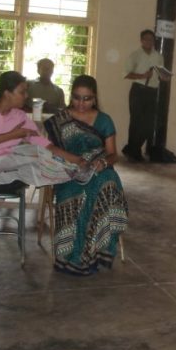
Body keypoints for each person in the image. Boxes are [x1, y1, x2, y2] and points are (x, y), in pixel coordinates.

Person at [0, 71, 86, 290]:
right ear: (7, 93)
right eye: (22, 91)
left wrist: (75, 159)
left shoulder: (20, 117)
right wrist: (12, 135)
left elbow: (44, 145)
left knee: (37, 158)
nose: (26, 96)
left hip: (8, 171)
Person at [44, 75, 129, 275]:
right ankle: (72, 256)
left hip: (99, 168)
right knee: (75, 194)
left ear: (95, 98)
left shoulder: (104, 120)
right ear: (71, 96)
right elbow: (48, 147)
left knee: (107, 185)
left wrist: (103, 163)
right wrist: (75, 160)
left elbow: (113, 154)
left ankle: (97, 249)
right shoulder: (61, 120)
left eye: (87, 99)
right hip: (69, 170)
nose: (81, 104)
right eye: (76, 98)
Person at [122, 29, 170, 162]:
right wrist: (142, 75)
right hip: (138, 90)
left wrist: (164, 77)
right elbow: (126, 74)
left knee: (149, 124)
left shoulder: (158, 56)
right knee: (136, 122)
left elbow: (161, 73)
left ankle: (130, 149)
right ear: (141, 40)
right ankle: (134, 152)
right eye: (146, 39)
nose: (149, 42)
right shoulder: (135, 55)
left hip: (152, 92)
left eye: (151, 39)